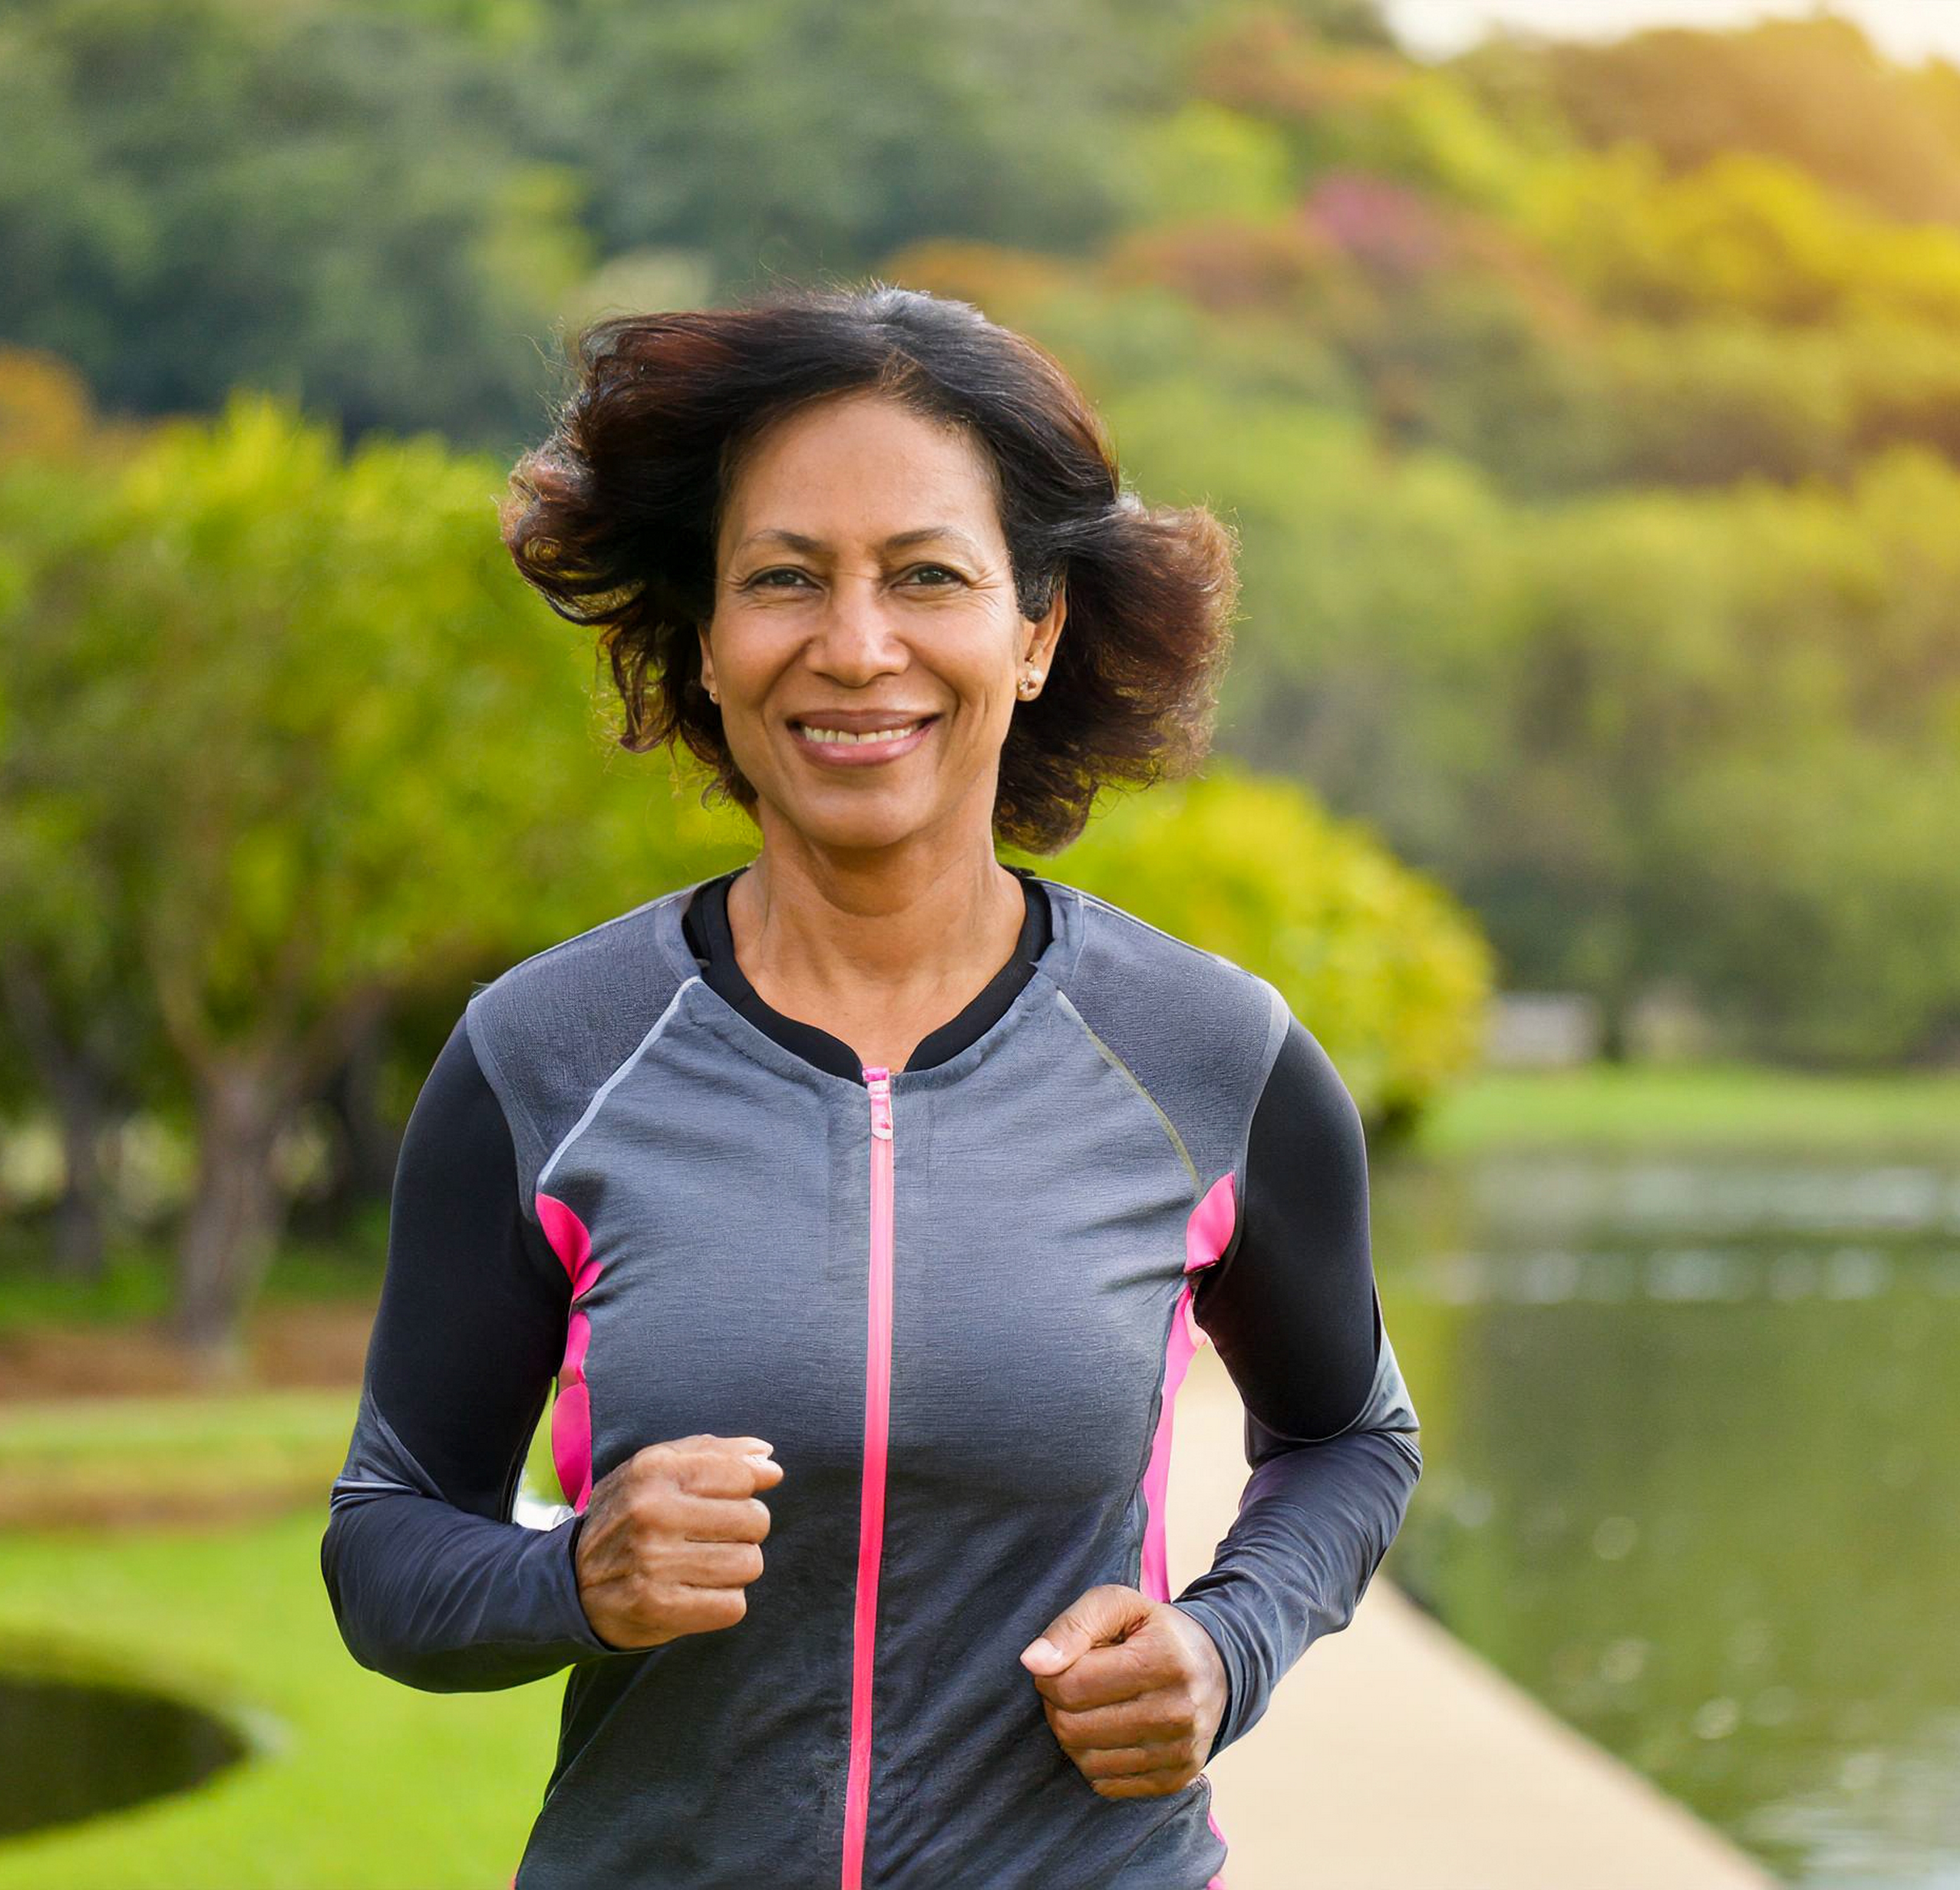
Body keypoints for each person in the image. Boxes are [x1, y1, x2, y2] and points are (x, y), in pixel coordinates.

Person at [319, 283, 1423, 1889]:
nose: (855, 647)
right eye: (784, 579)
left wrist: (1222, 1652)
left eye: (928, 578)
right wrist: (575, 1586)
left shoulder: (1210, 1057)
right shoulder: (543, 1058)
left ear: (1034, 630)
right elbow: (386, 1542)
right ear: (702, 636)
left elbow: (1350, 1440)